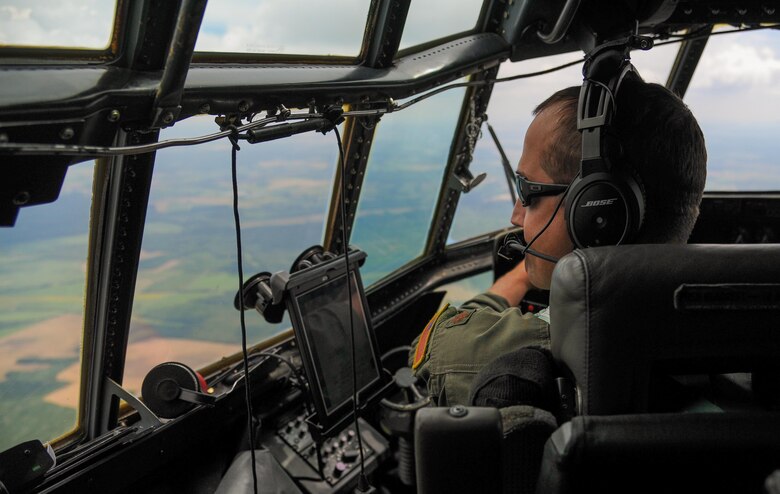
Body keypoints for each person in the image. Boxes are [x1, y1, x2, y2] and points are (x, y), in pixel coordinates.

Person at [408, 71, 708, 407]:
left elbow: (433, 348)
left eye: (528, 192)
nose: (516, 217)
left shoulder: (552, 344)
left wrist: (525, 271)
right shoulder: (730, 332)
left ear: (599, 216)